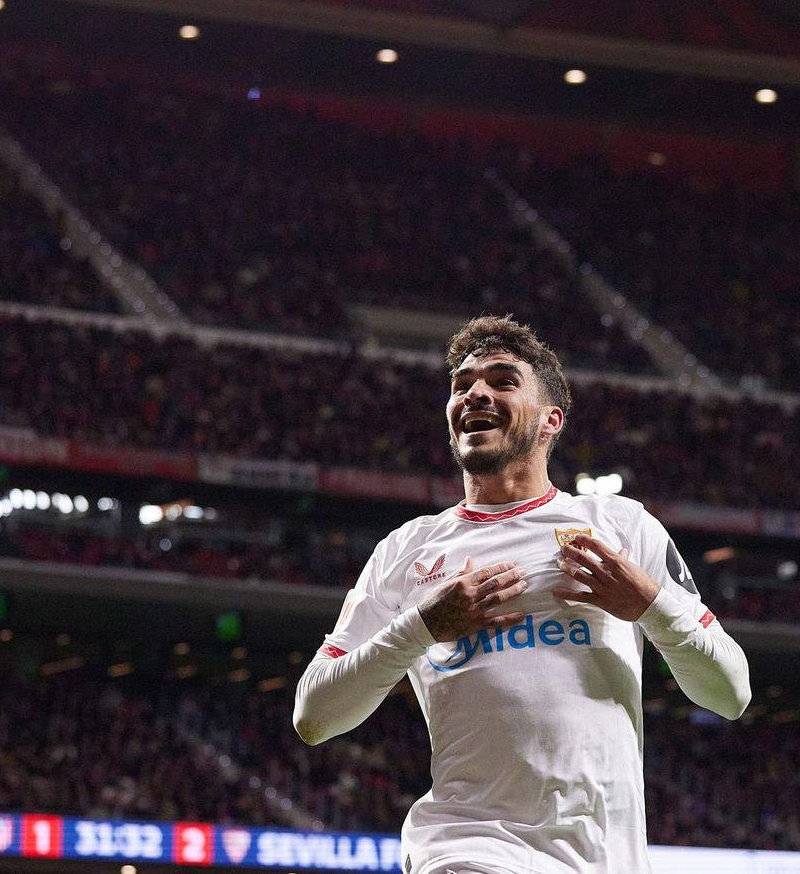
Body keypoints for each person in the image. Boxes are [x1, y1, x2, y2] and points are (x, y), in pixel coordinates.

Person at [293, 314, 750, 874]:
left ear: (550, 420)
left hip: (603, 859)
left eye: (503, 381)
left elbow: (732, 693)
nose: (475, 393)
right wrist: (423, 627)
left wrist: (650, 606)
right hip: (467, 849)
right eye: (462, 386)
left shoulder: (619, 527)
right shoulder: (407, 550)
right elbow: (313, 714)